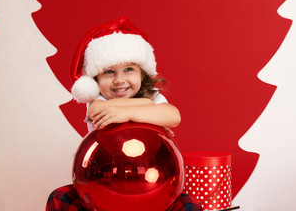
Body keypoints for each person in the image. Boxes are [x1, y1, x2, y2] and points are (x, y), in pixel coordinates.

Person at [46, 16, 202, 211]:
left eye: (128, 69)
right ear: (95, 79)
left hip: (154, 187)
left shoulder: (151, 96)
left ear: (142, 73)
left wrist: (126, 114)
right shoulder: (98, 100)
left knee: (189, 204)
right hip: (101, 188)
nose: (119, 80)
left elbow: (173, 116)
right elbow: (97, 111)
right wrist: (145, 107)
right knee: (59, 197)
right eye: (109, 72)